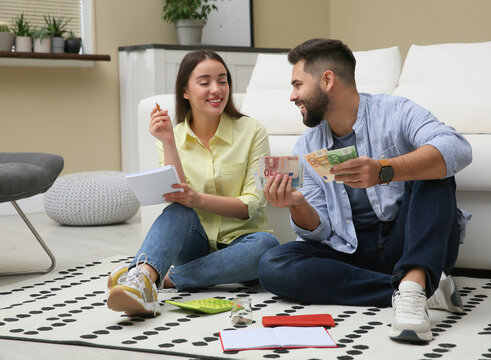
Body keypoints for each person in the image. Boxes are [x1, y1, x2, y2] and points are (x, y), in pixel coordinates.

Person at [258, 39, 472, 343]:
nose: (292, 96)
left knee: (434, 165)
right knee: (273, 265)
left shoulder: (395, 112)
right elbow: (319, 233)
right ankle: (419, 288)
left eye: (297, 84)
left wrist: (386, 169)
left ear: (327, 80)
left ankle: (414, 282)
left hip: (411, 241)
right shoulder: (307, 145)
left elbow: (457, 149)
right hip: (350, 250)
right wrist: (296, 204)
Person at [106, 50, 279, 316]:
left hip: (241, 246)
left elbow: (252, 206)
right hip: (193, 246)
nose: (216, 89)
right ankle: (144, 278)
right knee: (178, 209)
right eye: (205, 82)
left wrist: (197, 199)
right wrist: (167, 142)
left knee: (267, 247)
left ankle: (154, 277)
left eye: (222, 81)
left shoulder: (252, 131)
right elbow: (176, 194)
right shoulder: (173, 136)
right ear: (185, 90)